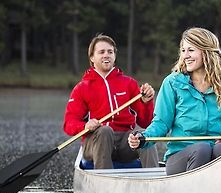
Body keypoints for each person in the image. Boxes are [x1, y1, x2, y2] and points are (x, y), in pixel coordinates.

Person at [128, 27, 221, 175]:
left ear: (207, 52)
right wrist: (143, 138)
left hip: (216, 149)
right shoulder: (172, 83)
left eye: (191, 50)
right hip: (180, 157)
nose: (185, 56)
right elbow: (161, 123)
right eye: (183, 51)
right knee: (202, 148)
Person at [63, 33, 159, 169]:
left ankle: (154, 182)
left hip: (125, 142)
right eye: (101, 52)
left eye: (110, 51)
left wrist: (146, 102)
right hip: (96, 141)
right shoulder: (82, 88)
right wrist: (85, 126)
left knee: (144, 137)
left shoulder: (129, 84)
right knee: (105, 131)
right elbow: (69, 124)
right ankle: (104, 181)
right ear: (92, 57)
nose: (106, 55)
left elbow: (145, 122)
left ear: (114, 56)